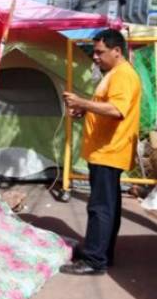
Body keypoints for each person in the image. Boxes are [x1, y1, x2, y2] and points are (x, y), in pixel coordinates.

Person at [60, 29, 141, 275]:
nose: (95, 57)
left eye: (99, 52)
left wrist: (82, 103)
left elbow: (117, 110)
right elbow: (109, 107)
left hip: (109, 150)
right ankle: (101, 252)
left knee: (100, 207)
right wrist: (86, 110)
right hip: (105, 150)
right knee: (108, 205)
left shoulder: (123, 75)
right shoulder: (115, 73)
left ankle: (95, 260)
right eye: (94, 52)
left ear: (117, 51)